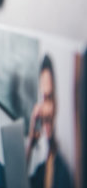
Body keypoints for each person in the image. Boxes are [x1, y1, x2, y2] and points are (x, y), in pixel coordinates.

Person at [26, 55, 73, 188]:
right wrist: (30, 141)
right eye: (42, 98)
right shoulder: (44, 167)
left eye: (49, 98)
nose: (42, 110)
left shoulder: (63, 174)